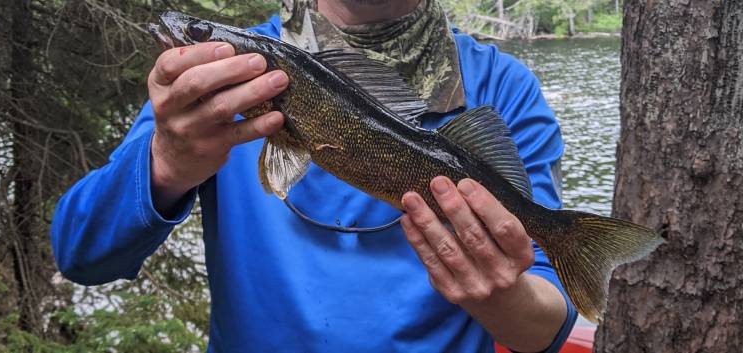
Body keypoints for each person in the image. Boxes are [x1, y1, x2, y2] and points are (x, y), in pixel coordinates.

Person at [51, 0, 577, 352]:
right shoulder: (209, 87)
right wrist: (166, 163)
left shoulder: (504, 88)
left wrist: (500, 294)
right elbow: (82, 255)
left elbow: (548, 327)